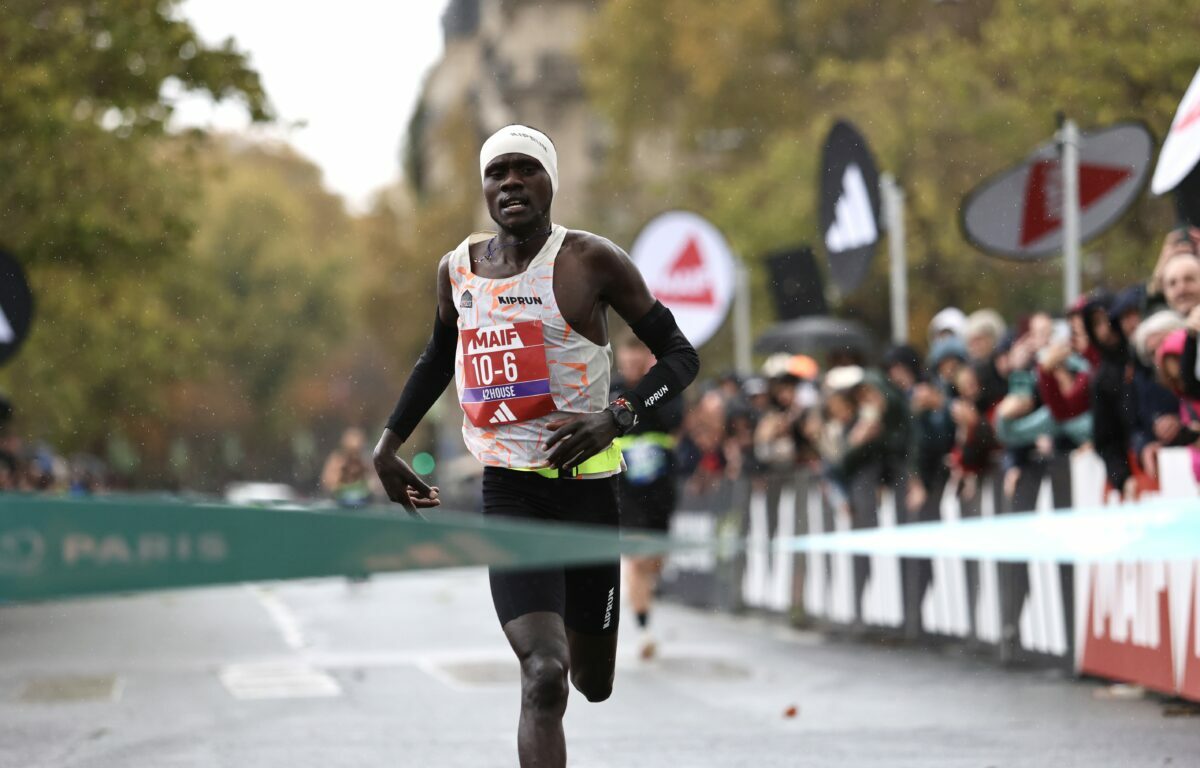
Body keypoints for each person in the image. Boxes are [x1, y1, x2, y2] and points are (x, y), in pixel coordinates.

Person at [372, 124, 699, 768]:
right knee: (544, 675)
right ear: (484, 188)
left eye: (526, 169)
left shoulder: (591, 260)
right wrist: (388, 443)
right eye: (497, 172)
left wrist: (617, 417)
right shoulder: (458, 269)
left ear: (551, 181)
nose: (511, 182)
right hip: (511, 493)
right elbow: (438, 357)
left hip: (589, 495)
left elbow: (680, 357)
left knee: (592, 681)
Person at [612, 333, 684, 660]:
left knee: (654, 561)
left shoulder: (663, 387)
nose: (631, 364)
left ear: (646, 358)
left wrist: (649, 396)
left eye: (636, 357)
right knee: (638, 558)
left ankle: (641, 590)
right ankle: (644, 630)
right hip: (625, 488)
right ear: (619, 359)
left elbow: (676, 422)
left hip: (660, 489)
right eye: (626, 358)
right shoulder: (610, 390)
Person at [320, 427, 373, 508]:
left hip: (363, 505)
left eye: (357, 452)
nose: (354, 457)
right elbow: (328, 483)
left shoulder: (367, 463)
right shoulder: (336, 461)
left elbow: (375, 486)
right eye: (351, 452)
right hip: (338, 504)